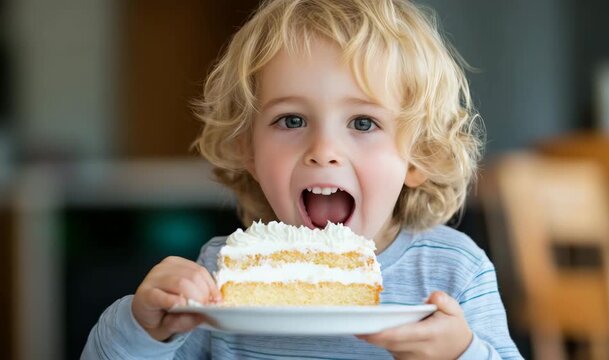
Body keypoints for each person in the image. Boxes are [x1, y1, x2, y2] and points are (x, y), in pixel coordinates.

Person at [82, 0, 523, 358]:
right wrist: (143, 329)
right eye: (291, 119)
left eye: (364, 123)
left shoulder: (454, 271)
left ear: (418, 155)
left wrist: (461, 353)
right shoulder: (220, 279)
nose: (323, 151)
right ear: (246, 148)